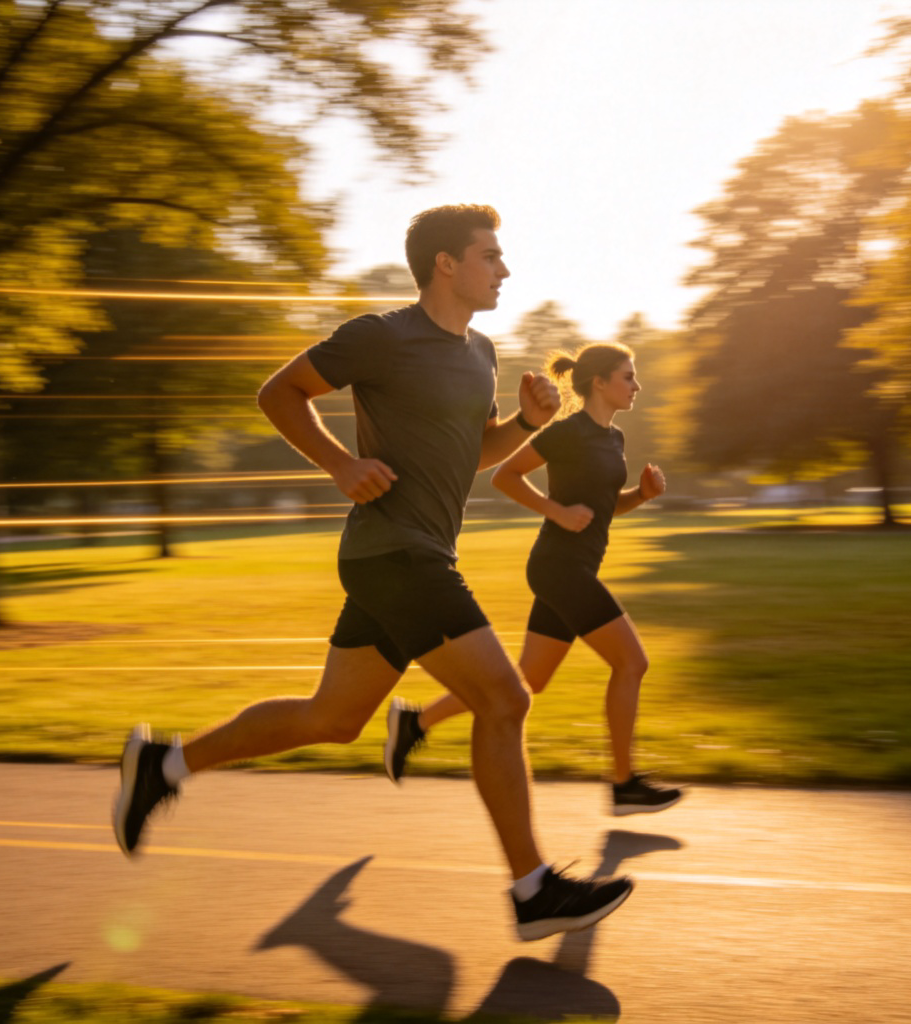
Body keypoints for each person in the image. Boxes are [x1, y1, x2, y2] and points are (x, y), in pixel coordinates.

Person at [112, 205, 634, 941]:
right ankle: (532, 888)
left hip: (413, 554)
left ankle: (164, 765)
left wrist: (523, 427)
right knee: (504, 698)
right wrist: (340, 463)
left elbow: (472, 453)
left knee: (333, 719)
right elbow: (278, 393)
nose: (505, 269)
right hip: (394, 552)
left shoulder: (480, 352)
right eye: (491, 256)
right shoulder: (381, 337)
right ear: (445, 264)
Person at [384, 341, 684, 817]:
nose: (636, 385)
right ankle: (624, 783)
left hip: (575, 568)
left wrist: (640, 496)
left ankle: (416, 723)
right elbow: (505, 475)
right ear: (600, 383)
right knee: (632, 662)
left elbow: (605, 508)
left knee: (529, 681)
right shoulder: (569, 431)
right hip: (558, 568)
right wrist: (556, 511)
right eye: (628, 376)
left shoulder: (614, 439)